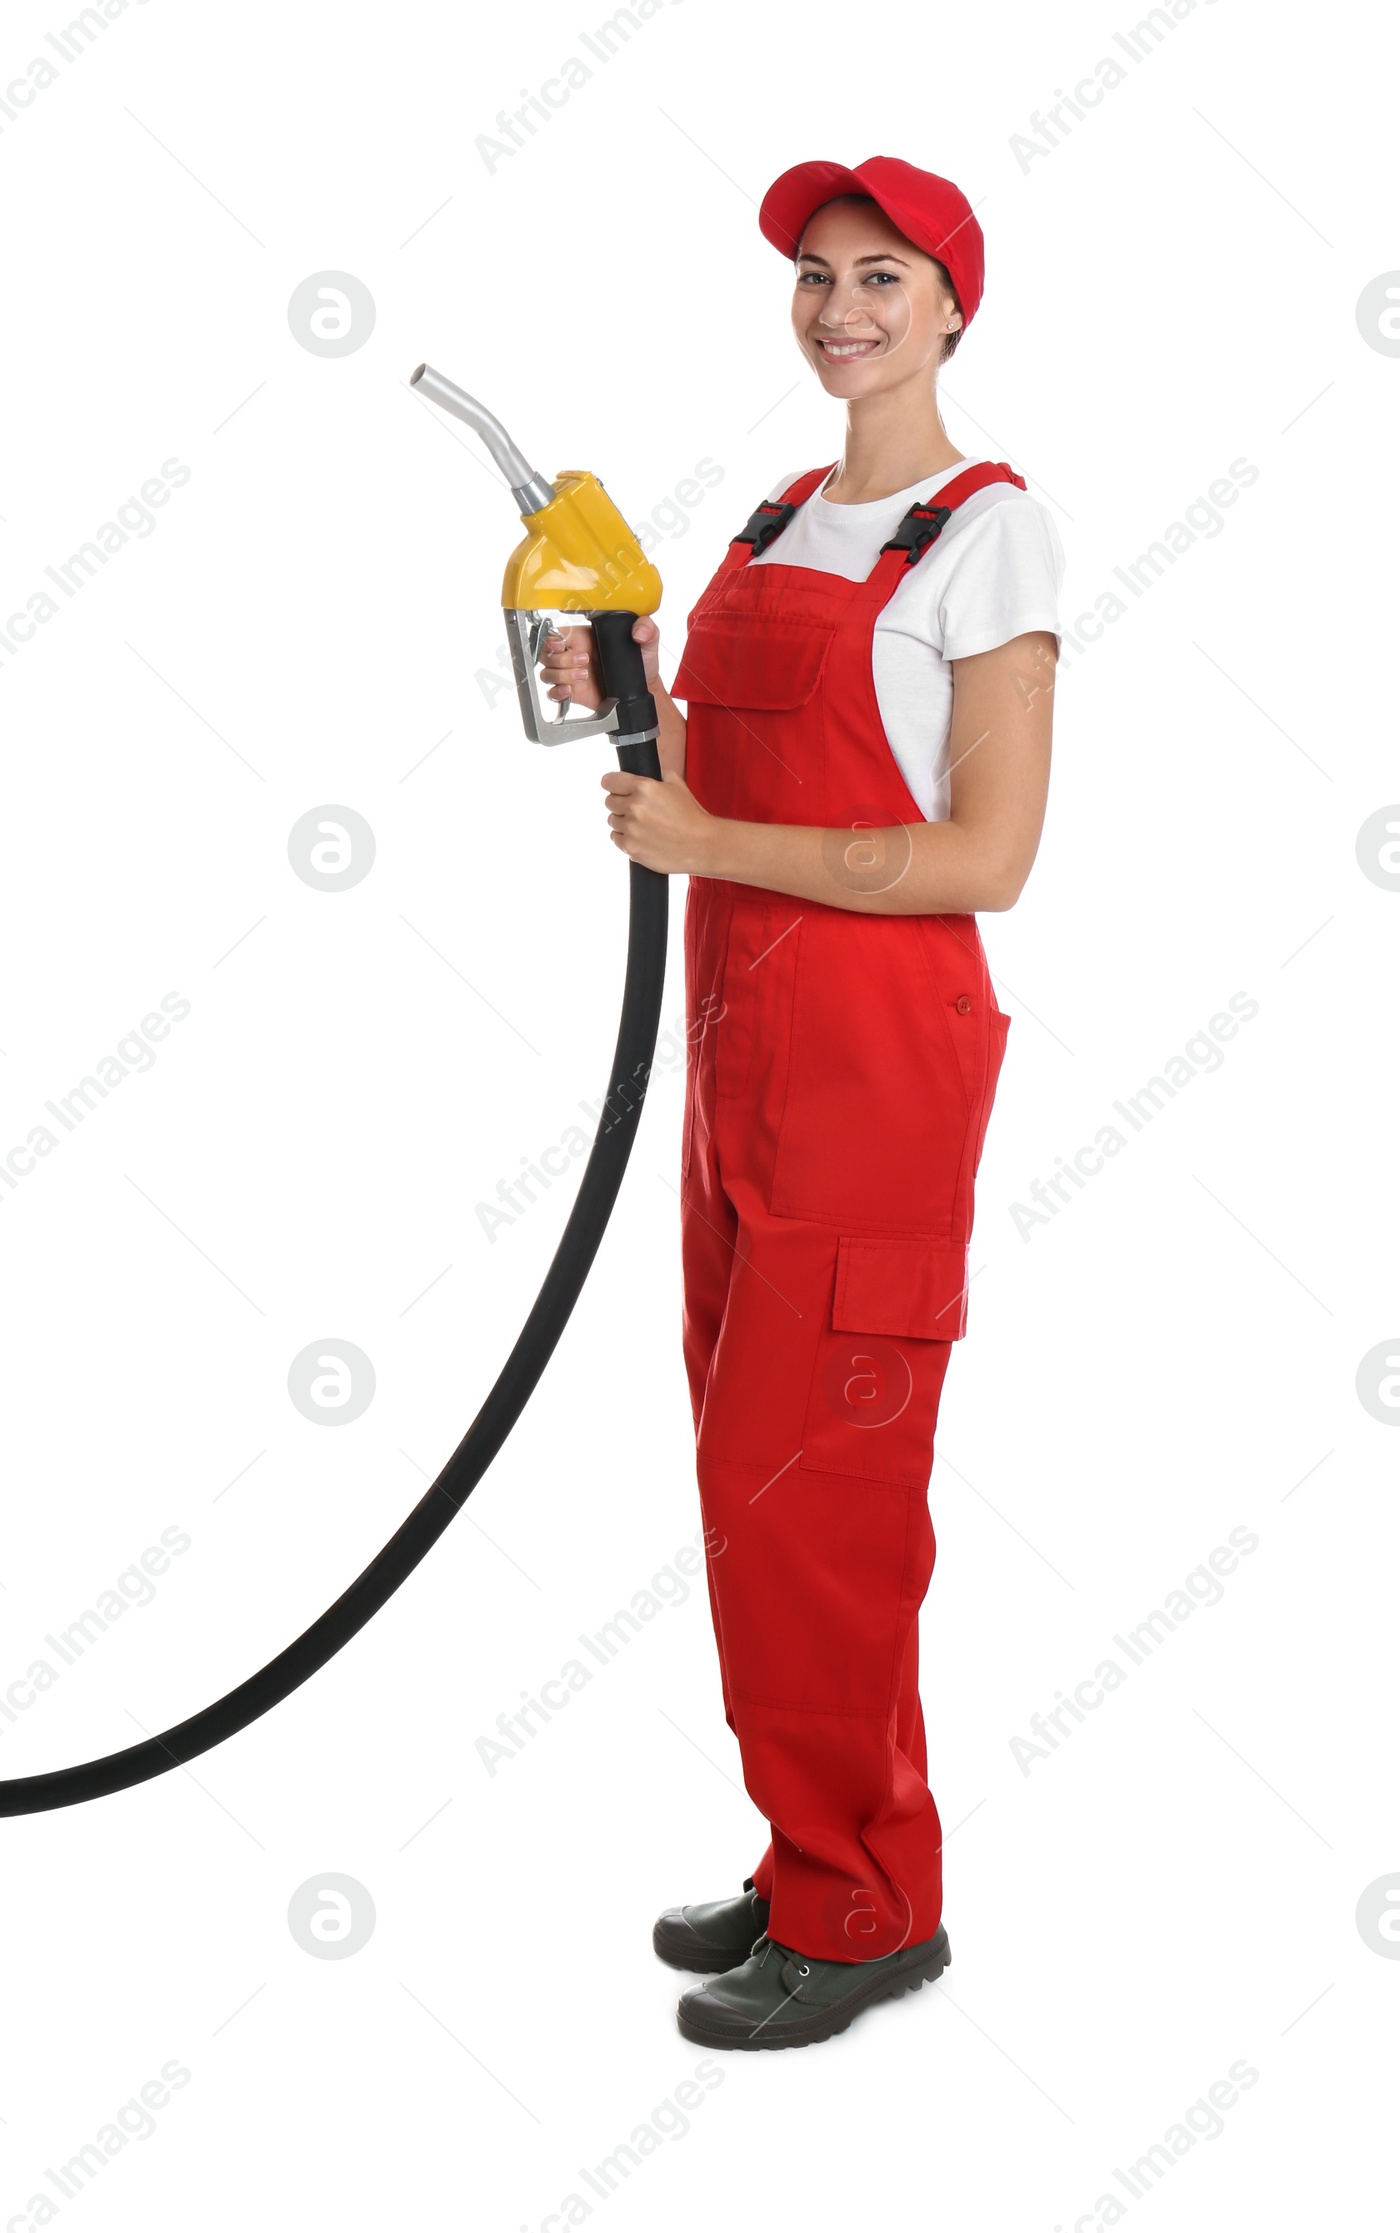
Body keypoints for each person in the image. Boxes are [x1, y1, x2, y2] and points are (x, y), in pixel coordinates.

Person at [539, 154, 1063, 2051]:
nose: (841, 306)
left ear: (952, 305)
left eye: (884, 276)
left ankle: (868, 1909)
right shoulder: (774, 522)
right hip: (741, 1069)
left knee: (823, 1497)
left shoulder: (986, 535)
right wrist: (620, 680)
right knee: (751, 1494)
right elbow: (695, 779)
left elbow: (985, 855)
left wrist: (707, 829)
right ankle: (808, 1839)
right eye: (817, 276)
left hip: (874, 1082)